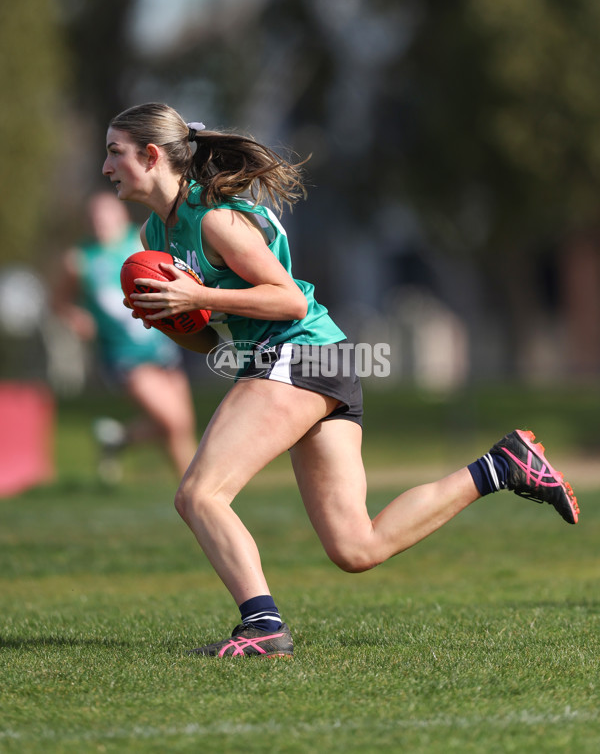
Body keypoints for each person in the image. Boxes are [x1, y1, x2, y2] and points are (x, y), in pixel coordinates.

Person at [102, 102, 580, 658]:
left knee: (199, 495)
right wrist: (172, 319)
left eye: (115, 151)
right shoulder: (152, 234)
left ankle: (262, 628)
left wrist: (198, 296)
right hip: (317, 361)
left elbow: (285, 299)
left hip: (297, 355)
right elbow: (209, 339)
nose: (107, 165)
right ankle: (504, 465)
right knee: (357, 546)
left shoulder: (214, 218)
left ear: (152, 155)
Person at [53, 191, 198, 480]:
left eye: (106, 215)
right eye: (94, 217)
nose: (100, 222)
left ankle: (119, 440)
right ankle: (195, 491)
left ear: (120, 216)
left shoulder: (140, 241)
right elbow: (58, 301)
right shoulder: (79, 259)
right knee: (172, 421)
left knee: (182, 425)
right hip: (121, 355)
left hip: (161, 342)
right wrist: (76, 317)